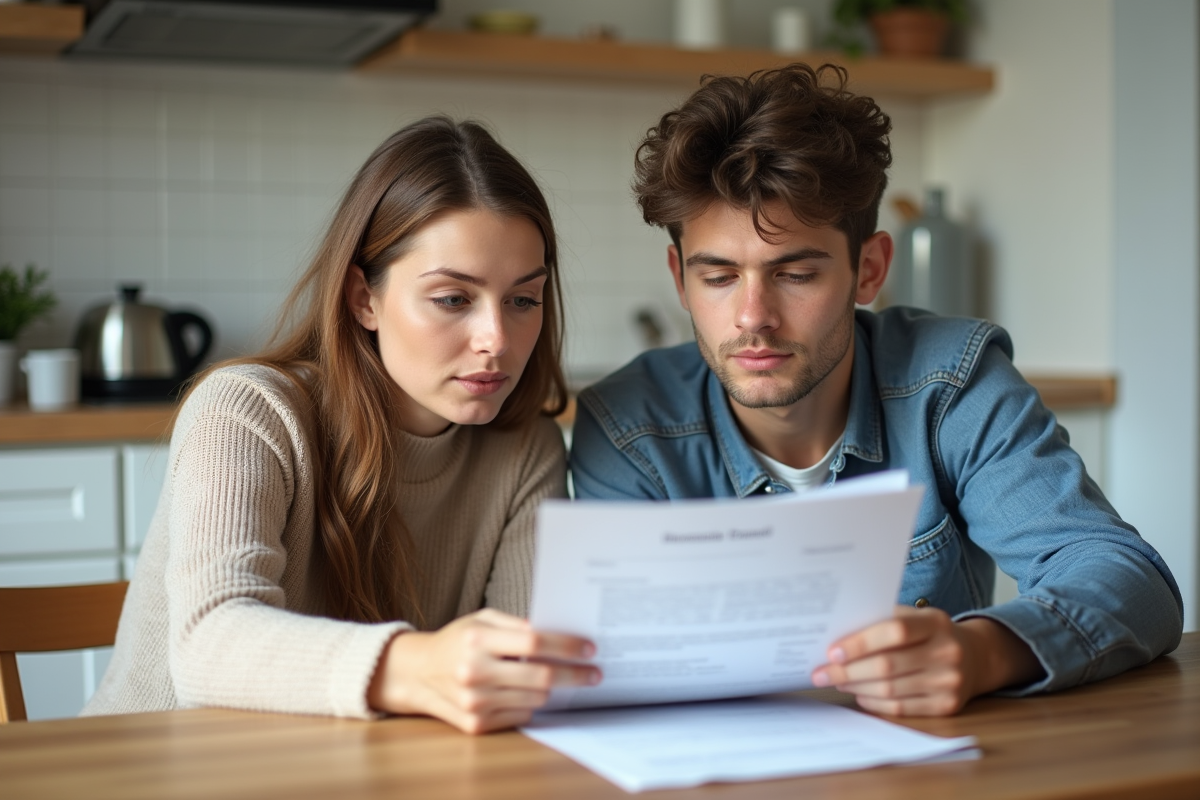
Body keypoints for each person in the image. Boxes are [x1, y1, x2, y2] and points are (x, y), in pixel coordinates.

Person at [569, 64, 1183, 717]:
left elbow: (1128, 579)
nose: (753, 318)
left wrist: (982, 652)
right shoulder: (628, 428)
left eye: (796, 274)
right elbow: (619, 662)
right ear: (679, 279)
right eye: (718, 278)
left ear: (869, 269)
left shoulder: (952, 385)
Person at [84, 117, 600, 733]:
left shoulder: (527, 449)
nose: (497, 340)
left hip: (358, 766)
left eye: (522, 300)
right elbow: (208, 643)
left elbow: (516, 678)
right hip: (157, 765)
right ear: (364, 298)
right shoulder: (247, 412)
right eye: (453, 298)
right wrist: (419, 665)